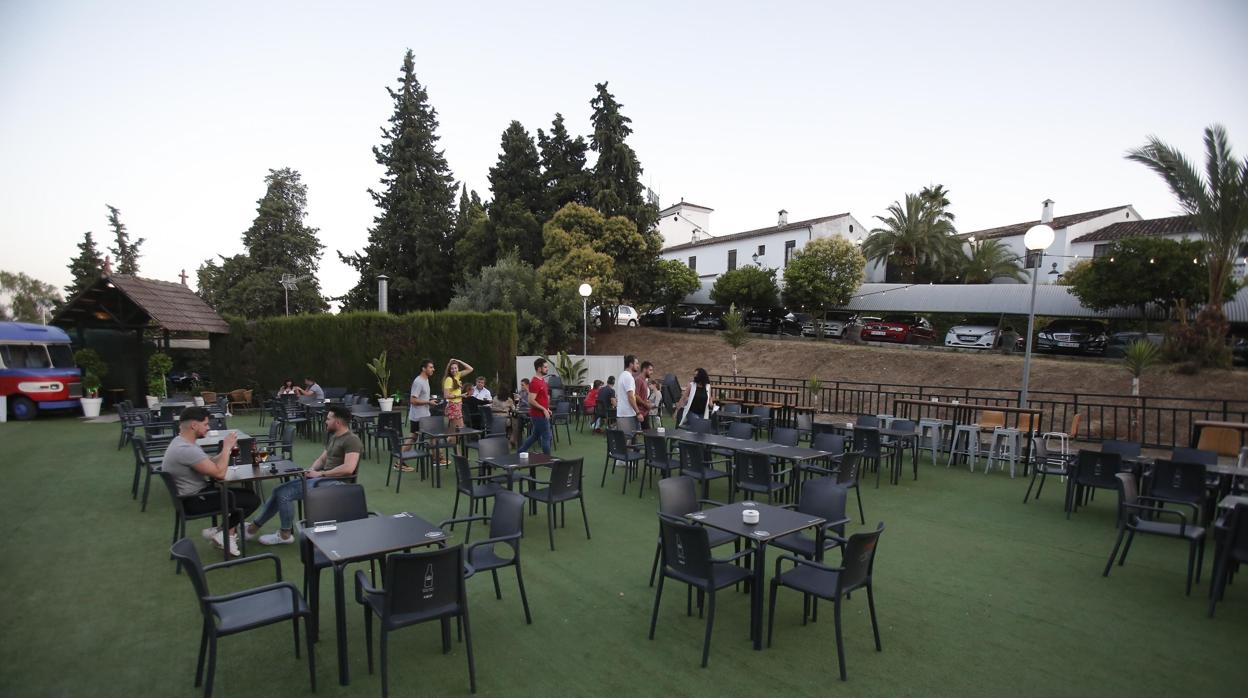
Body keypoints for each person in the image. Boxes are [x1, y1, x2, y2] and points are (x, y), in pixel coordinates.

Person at [244, 405, 363, 545]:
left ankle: (285, 534)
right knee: (278, 490)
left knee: (284, 493)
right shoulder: (335, 437)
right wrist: (311, 471)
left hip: (337, 483)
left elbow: (349, 468)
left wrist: (320, 474)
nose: (325, 421)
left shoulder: (352, 440)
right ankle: (253, 528)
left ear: (337, 422)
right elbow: (322, 459)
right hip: (324, 479)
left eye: (328, 419)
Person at [161, 406, 261, 557]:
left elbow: (207, 463)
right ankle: (223, 532)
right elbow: (219, 474)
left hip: (191, 496)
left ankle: (224, 531)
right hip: (194, 501)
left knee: (246, 494)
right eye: (206, 424)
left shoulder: (180, 442)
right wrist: (227, 448)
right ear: (194, 425)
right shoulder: (186, 449)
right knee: (252, 500)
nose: (208, 428)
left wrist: (222, 453)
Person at [517, 357, 552, 455]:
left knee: (535, 436)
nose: (547, 369)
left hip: (541, 414)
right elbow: (531, 400)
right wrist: (543, 410)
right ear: (539, 368)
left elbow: (542, 398)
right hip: (539, 415)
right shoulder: (535, 382)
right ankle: (548, 462)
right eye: (545, 367)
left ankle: (519, 452)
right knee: (546, 436)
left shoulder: (542, 381)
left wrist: (547, 409)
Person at [408, 359, 439, 437]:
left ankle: (435, 449)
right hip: (418, 417)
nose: (433, 369)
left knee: (431, 437)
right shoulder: (418, 382)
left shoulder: (426, 380)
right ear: (424, 369)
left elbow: (422, 397)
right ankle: (401, 450)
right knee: (432, 437)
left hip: (425, 415)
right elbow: (413, 400)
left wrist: (430, 400)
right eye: (431, 367)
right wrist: (428, 402)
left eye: (433, 367)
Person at [616, 354, 640, 423]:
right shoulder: (628, 377)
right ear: (631, 364)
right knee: (631, 434)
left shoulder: (622, 375)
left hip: (623, 413)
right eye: (636, 363)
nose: (638, 366)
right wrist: (638, 412)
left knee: (628, 434)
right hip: (628, 414)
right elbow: (631, 397)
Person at [635, 361, 655, 427]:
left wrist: (647, 401)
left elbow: (642, 396)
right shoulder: (638, 380)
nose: (652, 372)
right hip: (640, 412)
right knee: (648, 434)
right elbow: (636, 395)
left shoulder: (644, 381)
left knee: (648, 434)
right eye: (650, 370)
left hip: (645, 412)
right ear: (644, 369)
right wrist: (645, 404)